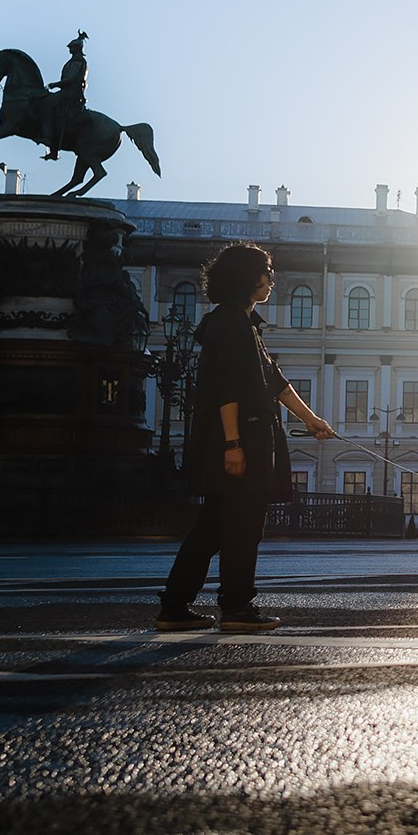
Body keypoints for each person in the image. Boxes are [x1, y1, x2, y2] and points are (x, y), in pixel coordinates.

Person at [159, 242, 334, 631]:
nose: (271, 280)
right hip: (241, 442)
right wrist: (233, 444)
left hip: (245, 439)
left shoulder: (244, 324)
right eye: (266, 273)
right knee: (242, 529)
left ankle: (173, 607)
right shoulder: (229, 325)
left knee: (210, 529)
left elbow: (275, 380)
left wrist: (311, 419)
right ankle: (236, 608)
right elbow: (228, 389)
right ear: (247, 278)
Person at [44, 30, 89, 160]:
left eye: (71, 47)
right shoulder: (72, 62)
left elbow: (71, 79)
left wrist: (55, 84)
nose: (69, 49)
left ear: (77, 48)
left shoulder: (78, 62)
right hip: (65, 92)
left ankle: (48, 139)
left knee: (47, 104)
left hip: (71, 94)